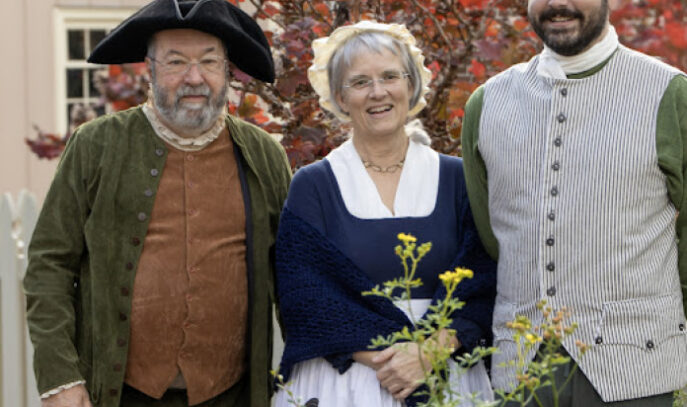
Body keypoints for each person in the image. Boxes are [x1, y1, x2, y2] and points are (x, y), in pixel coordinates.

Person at [23, 1, 291, 406]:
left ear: (227, 70)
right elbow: (49, 265)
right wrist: (60, 377)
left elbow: (295, 274)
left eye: (209, 61)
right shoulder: (95, 145)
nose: (194, 77)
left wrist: (309, 372)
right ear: (149, 70)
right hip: (121, 394)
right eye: (176, 62)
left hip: (231, 393)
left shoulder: (263, 153)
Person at [461, 0, 687, 404]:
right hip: (522, 369)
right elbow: (494, 237)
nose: (557, 4)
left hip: (635, 369)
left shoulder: (669, 94)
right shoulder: (487, 103)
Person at [274, 21, 497, 407]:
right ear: (339, 97)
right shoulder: (314, 186)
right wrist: (397, 361)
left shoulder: (457, 178)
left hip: (446, 374)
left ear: (411, 86)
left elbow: (482, 284)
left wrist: (429, 353)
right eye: (359, 82)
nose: (378, 92)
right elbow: (304, 299)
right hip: (346, 384)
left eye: (390, 76)